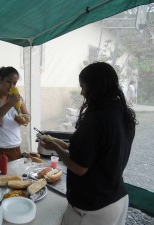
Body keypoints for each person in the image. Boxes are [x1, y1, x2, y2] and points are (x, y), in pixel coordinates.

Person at [41, 62, 137, 225]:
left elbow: (80, 168)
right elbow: (103, 150)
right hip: (118, 198)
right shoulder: (123, 113)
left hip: (94, 207)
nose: (82, 92)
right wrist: (66, 145)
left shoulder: (95, 119)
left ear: (96, 87)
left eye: (83, 86)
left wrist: (55, 147)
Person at [0, 66, 30, 168]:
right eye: (8, 82)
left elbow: (28, 117)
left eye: (15, 83)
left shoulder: (17, 98)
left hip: (15, 148)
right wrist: (9, 104)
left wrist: (23, 119)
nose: (11, 86)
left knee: (15, 179)